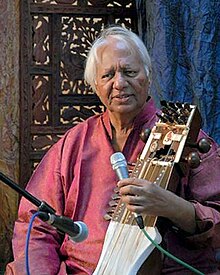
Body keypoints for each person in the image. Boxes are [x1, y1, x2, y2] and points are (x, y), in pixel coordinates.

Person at [5, 25, 220, 275]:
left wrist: (173, 206)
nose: (119, 83)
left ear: (148, 77)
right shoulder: (74, 144)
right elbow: (36, 226)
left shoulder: (179, 134)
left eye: (129, 71)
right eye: (108, 75)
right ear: (95, 84)